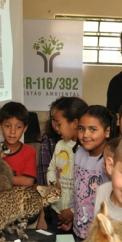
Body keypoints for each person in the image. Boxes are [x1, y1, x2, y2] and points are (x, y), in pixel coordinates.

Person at [66, 105, 112, 241]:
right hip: (79, 228)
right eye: (82, 129)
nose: (85, 135)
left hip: (100, 234)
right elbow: (76, 187)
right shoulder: (79, 152)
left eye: (93, 129)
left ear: (107, 131)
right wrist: (71, 211)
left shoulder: (110, 160)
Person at [46, 97, 87, 233]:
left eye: (59, 124)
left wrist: (72, 211)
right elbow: (52, 168)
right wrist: (53, 183)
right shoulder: (60, 145)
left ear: (75, 123)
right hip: (57, 209)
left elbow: (88, 190)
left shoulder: (86, 150)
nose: (56, 128)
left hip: (77, 213)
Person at [0, 101, 36, 187]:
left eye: (18, 127)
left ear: (25, 128)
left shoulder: (29, 152)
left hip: (21, 199)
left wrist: (0, 179)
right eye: (8, 126)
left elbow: (28, 181)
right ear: (0, 126)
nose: (12, 131)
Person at [37, 97, 63, 186]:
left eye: (59, 122)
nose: (56, 125)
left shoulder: (83, 144)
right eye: (53, 119)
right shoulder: (48, 142)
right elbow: (44, 177)